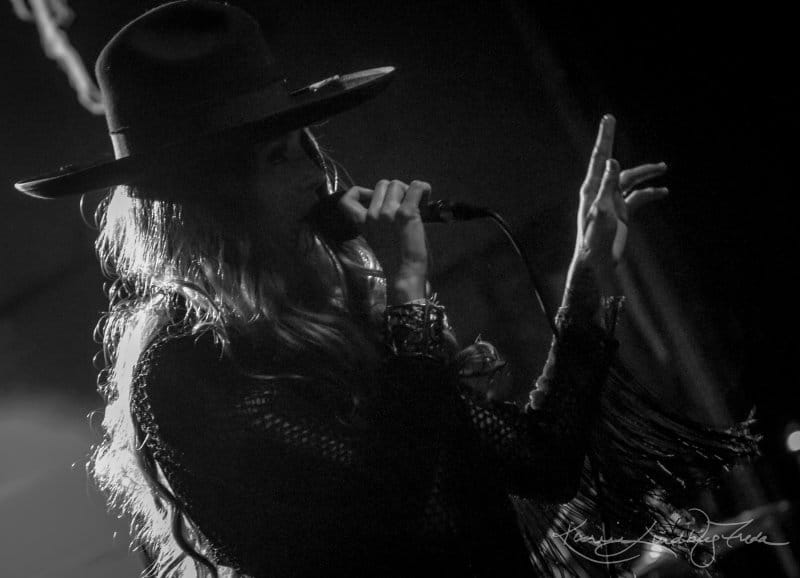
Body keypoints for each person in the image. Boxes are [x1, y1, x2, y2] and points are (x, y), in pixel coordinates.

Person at [15, 2, 762, 577]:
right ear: (209, 207)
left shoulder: (345, 319)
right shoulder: (184, 370)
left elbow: (542, 458)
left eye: (307, 146)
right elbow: (381, 512)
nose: (317, 176)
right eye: (279, 157)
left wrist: (588, 275)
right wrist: (407, 296)